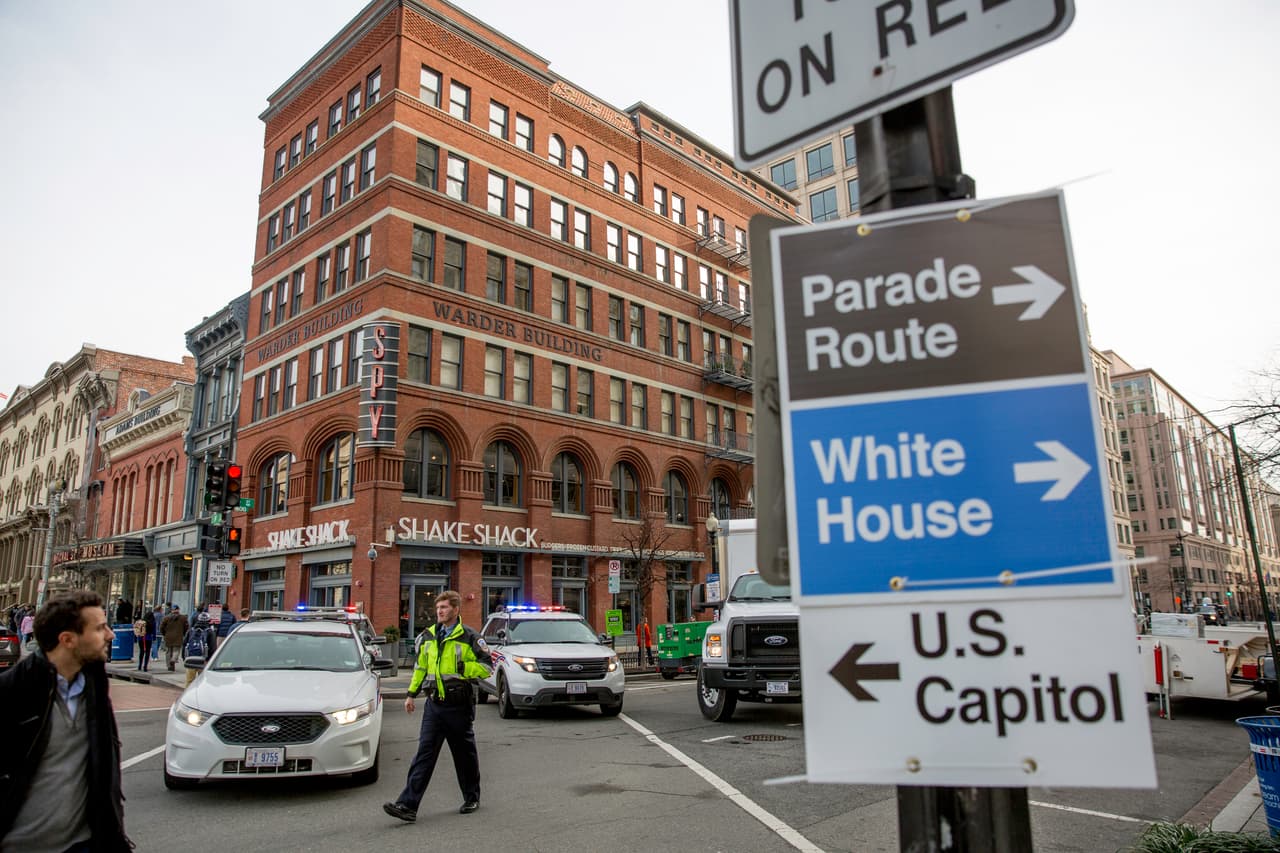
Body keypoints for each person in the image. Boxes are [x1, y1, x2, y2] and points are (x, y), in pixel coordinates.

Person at [0, 590, 132, 851]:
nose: (111, 635)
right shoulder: (12, 692)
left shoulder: (94, 688)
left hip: (82, 844)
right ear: (68, 639)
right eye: (100, 628)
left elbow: (103, 771)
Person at [383, 590, 492, 823]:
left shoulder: (470, 637)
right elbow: (421, 668)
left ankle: (472, 797)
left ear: (456, 609)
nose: (440, 611)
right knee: (424, 755)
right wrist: (411, 694)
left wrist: (466, 669)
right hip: (434, 705)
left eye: (444, 607)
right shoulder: (429, 636)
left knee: (464, 756)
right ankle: (407, 805)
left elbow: (487, 667)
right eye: (438, 607)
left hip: (459, 705)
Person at [182, 613, 216, 687]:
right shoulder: (210, 632)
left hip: (190, 659)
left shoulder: (191, 630)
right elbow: (213, 648)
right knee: (202, 681)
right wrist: (209, 660)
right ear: (208, 621)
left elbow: (184, 644)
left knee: (189, 681)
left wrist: (184, 658)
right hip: (203, 660)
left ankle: (188, 696)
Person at [159, 605, 188, 672]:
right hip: (178, 636)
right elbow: (186, 627)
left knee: (168, 651)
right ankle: (173, 659)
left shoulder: (166, 618)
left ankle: (169, 666)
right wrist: (183, 633)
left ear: (171, 610)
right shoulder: (183, 618)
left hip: (168, 636)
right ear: (178, 610)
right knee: (176, 650)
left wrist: (164, 633)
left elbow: (161, 627)